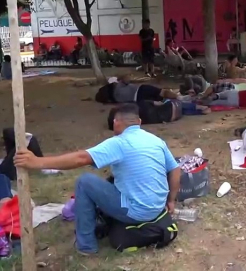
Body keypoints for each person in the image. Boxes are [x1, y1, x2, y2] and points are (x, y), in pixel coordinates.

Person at [14, 104, 182, 255]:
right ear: (139, 121)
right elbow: (175, 169)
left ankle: (86, 246)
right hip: (158, 207)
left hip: (137, 211)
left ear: (116, 122)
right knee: (110, 180)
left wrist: (37, 162)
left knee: (85, 182)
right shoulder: (156, 140)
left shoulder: (119, 143)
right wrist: (171, 201)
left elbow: (81, 158)